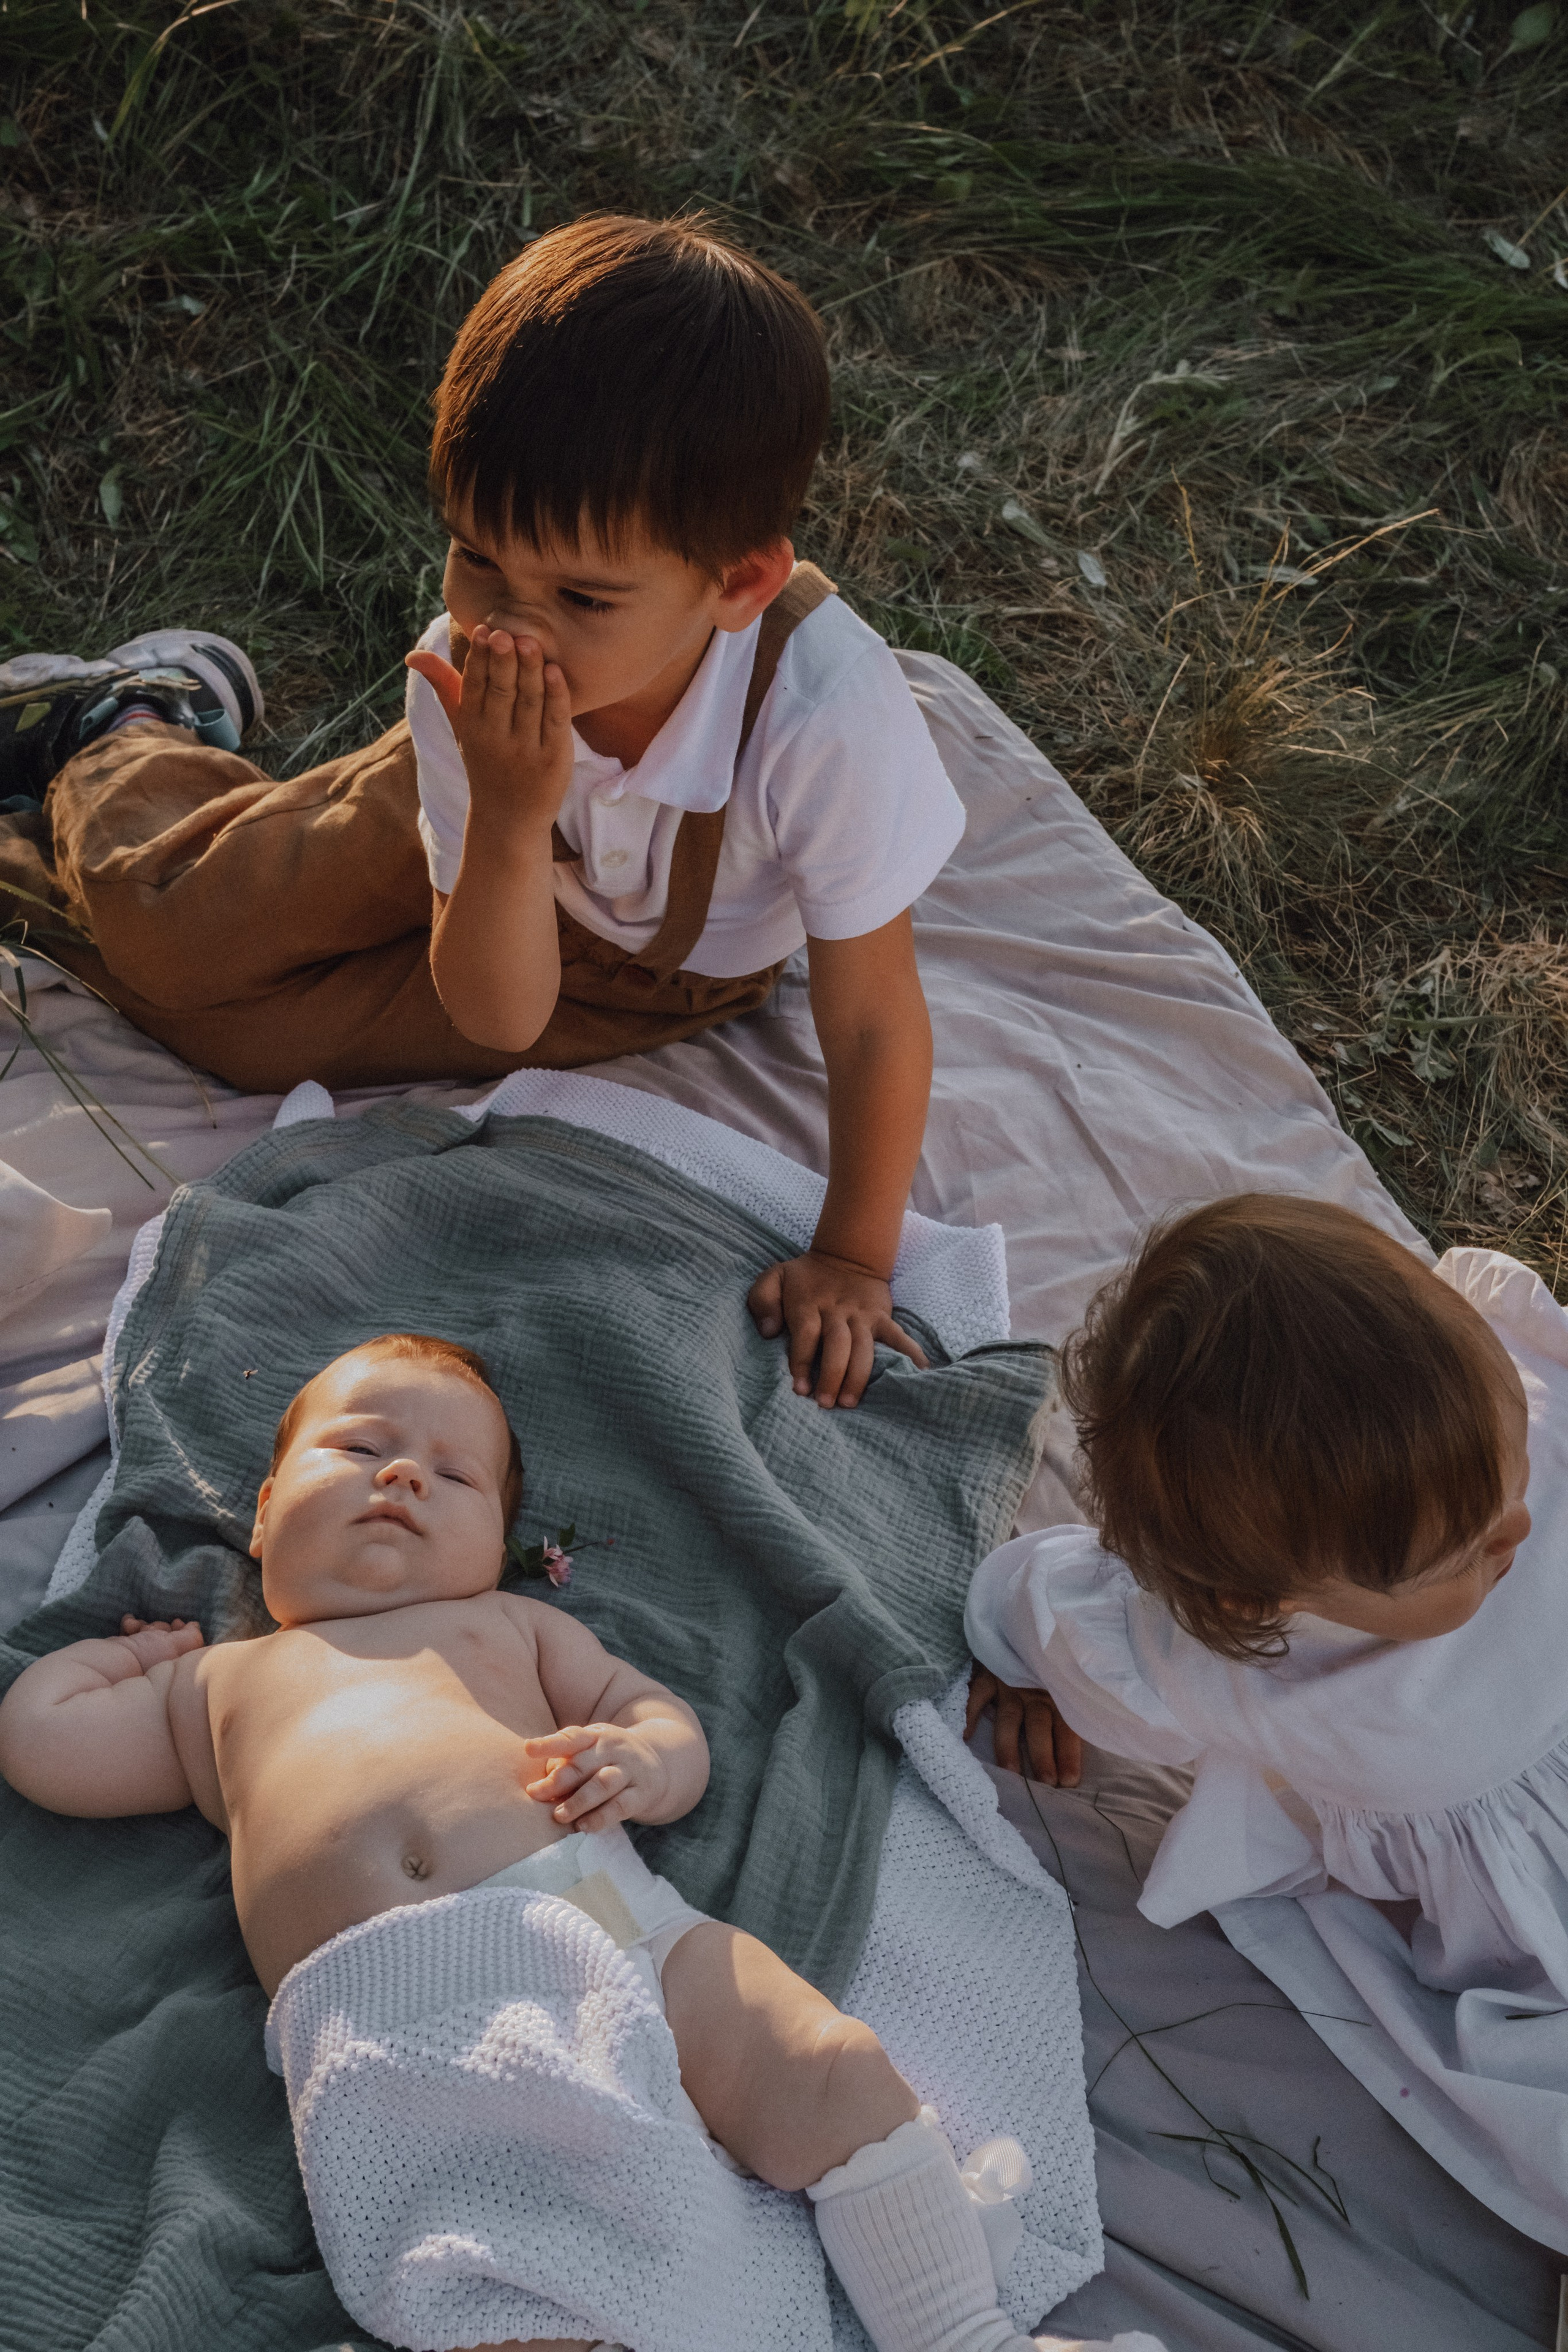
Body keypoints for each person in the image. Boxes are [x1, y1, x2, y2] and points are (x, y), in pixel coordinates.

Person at [0, 1333, 1147, 2352]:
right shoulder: (219, 1683)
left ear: (496, 1543)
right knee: (495, 2269)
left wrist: (643, 1764)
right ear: (260, 1512)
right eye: (357, 1451)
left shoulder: (513, 1627)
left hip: (606, 1920)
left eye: (453, 1476)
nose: (402, 1474)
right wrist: (134, 1659)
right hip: (389, 2021)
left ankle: (959, 2330)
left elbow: (666, 1724)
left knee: (823, 2063)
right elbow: (43, 1747)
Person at [0, 213, 967, 1409]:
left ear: (737, 584)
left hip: (640, 967)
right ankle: (132, 730)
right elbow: (473, 873)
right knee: (179, 933)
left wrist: (854, 1257)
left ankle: (72, 783)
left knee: (240, 1041)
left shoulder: (822, 719)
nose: (510, 628)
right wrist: (506, 810)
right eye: (476, 563)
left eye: (579, 596)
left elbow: (859, 1018)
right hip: (465, 794)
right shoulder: (469, 673)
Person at [963, 1192, 1568, 1985]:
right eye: (1456, 1559)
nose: (1519, 1526)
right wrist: (1027, 1666)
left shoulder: (1524, 1404)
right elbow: (1043, 1599)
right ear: (1259, 1601)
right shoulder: (1224, 1670)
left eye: (1518, 1468)